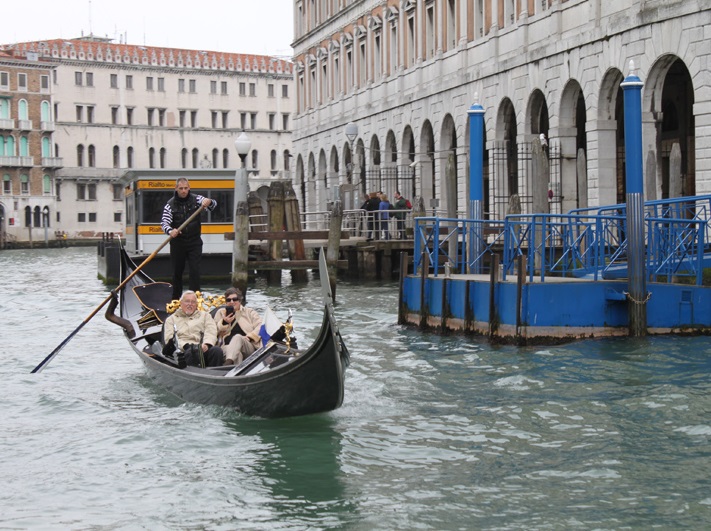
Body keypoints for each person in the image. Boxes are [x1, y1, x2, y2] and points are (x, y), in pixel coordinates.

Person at [161, 177, 217, 301]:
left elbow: (213, 205)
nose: (184, 191)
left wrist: (209, 201)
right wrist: (171, 231)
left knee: (195, 271)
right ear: (176, 189)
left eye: (186, 188)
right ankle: (175, 300)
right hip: (178, 243)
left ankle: (195, 299)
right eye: (181, 188)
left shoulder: (197, 199)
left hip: (194, 242)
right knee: (177, 273)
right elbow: (164, 223)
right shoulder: (170, 205)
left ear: (189, 188)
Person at [163, 290, 224, 367]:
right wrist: (186, 346)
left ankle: (216, 375)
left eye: (193, 302)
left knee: (217, 351)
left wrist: (207, 343)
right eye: (187, 301)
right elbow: (169, 338)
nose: (190, 304)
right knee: (192, 352)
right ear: (181, 303)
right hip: (183, 351)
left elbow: (211, 331)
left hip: (202, 347)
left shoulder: (205, 316)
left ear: (196, 304)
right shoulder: (171, 319)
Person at [213, 287, 263, 366]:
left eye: (234, 299)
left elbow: (261, 326)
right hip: (226, 347)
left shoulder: (249, 312)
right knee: (237, 355)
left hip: (247, 345)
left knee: (238, 337)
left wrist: (250, 336)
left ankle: (228, 362)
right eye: (229, 300)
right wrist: (224, 322)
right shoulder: (220, 313)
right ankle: (235, 375)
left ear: (239, 301)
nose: (231, 302)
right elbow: (213, 330)